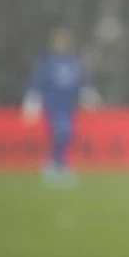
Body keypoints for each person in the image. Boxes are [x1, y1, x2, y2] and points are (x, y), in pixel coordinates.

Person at [22, 26, 97, 185]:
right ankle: (55, 164)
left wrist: (87, 93)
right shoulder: (47, 61)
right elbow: (37, 80)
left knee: (68, 133)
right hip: (53, 103)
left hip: (69, 104)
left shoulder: (74, 61)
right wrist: (32, 98)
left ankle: (58, 164)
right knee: (60, 132)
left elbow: (82, 81)